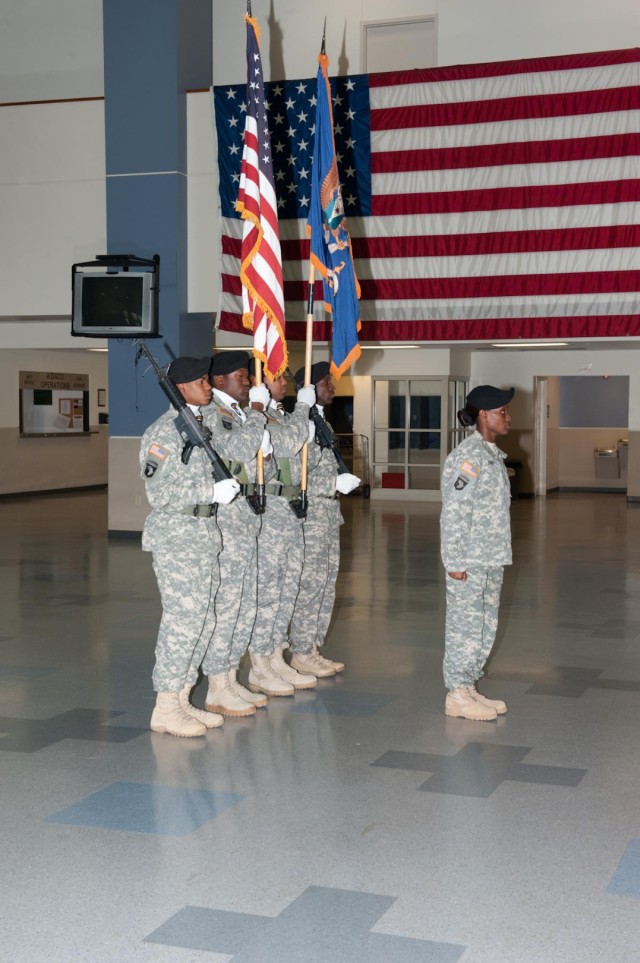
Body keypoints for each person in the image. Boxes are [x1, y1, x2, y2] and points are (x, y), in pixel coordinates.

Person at [140, 356, 240, 738]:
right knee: (183, 622)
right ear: (180, 387)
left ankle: (182, 699)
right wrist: (209, 491)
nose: (208, 386)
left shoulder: (199, 425)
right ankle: (165, 706)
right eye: (200, 381)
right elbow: (159, 493)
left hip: (203, 535)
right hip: (178, 539)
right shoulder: (164, 433)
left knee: (204, 620)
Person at [190, 350, 274, 718]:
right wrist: (257, 415)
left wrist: (267, 457)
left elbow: (258, 472)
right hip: (227, 526)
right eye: (242, 376)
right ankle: (218, 685)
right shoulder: (215, 416)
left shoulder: (238, 416)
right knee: (226, 608)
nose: (249, 382)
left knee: (242, 605)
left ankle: (229, 677)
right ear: (220, 379)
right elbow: (239, 449)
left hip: (247, 523)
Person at [440, 384, 514, 722]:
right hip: (469, 558)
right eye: (502, 412)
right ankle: (456, 692)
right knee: (464, 626)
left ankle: (468, 686)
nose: (507, 417)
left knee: (484, 625)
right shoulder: (469, 458)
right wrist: (454, 561)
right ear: (483, 415)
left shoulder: (491, 455)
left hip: (489, 555)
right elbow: (455, 511)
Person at [245, 360, 319, 695]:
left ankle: (276, 657)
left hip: (290, 511)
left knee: (288, 588)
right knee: (269, 592)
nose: (284, 381)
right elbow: (288, 444)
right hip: (271, 512)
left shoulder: (281, 416)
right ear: (257, 381)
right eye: (276, 376)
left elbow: (300, 457)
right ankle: (260, 665)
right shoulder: (255, 416)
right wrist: (303, 407)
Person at [287, 361, 360, 677]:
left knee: (326, 583)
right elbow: (294, 471)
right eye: (327, 383)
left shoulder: (323, 423)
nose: (333, 387)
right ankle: (301, 650)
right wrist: (329, 483)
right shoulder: (300, 423)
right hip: (311, 516)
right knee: (311, 584)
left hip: (329, 515)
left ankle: (311, 647)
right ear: (309, 388)